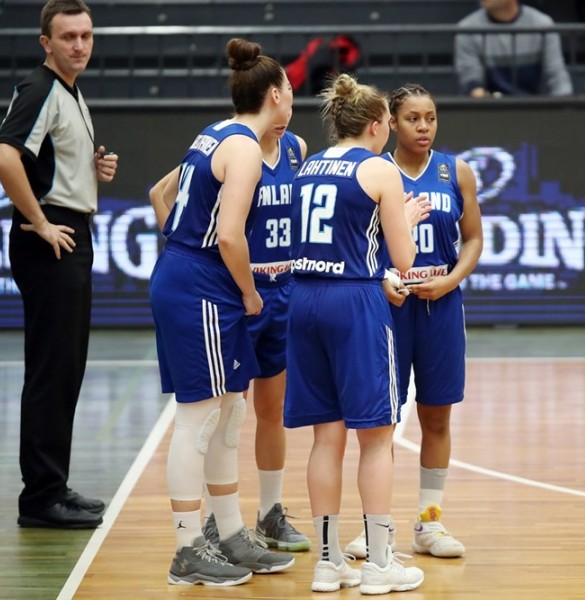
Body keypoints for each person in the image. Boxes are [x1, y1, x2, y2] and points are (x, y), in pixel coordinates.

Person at [147, 37, 296, 586]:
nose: (293, 98)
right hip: (204, 282)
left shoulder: (215, 131)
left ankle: (231, 533)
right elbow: (230, 236)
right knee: (200, 419)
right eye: (290, 90)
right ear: (275, 95)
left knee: (230, 412)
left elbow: (167, 199)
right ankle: (187, 548)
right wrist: (251, 294)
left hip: (195, 274)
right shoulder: (246, 149)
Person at [284, 73, 429, 595]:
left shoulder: (308, 167)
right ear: (375, 125)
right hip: (353, 303)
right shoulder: (379, 169)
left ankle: (328, 563)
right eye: (389, 121)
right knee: (376, 437)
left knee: (326, 437)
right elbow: (404, 260)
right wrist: (405, 218)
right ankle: (379, 563)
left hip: (303, 301)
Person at [0, 0, 117, 530]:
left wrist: (93, 168)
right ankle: (40, 498)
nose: (79, 45)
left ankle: (53, 485)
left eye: (86, 35)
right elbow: (4, 156)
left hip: (70, 231)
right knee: (51, 369)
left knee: (65, 369)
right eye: (68, 36)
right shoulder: (40, 88)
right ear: (46, 42)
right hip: (51, 239)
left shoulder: (69, 91)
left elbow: (46, 159)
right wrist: (40, 222)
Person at [344, 83, 482, 561]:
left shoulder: (455, 171)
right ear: (391, 123)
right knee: (380, 421)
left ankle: (429, 522)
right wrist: (383, 279)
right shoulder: (374, 171)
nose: (424, 127)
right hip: (388, 309)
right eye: (412, 119)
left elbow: (473, 239)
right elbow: (356, 244)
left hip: (441, 307)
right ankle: (375, 526)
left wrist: (450, 281)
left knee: (437, 416)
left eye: (431, 118)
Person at [199, 114, 313, 554]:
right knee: (228, 412)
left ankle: (270, 514)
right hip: (242, 291)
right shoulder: (231, 147)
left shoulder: (296, 148)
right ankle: (217, 519)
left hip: (284, 289)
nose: (283, 116)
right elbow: (164, 194)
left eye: (288, 105)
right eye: (278, 104)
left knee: (272, 409)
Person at [454, 0, 572, 97]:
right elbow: (472, 81)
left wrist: (565, 107)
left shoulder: (543, 24)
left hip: (532, 107)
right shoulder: (467, 29)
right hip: (489, 109)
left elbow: (556, 73)